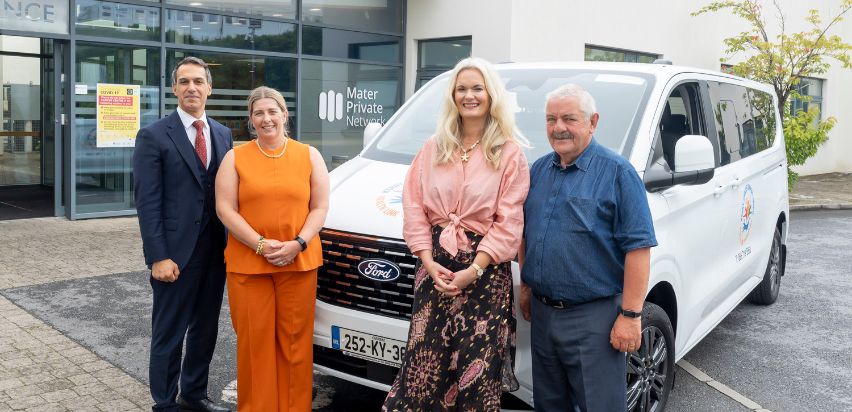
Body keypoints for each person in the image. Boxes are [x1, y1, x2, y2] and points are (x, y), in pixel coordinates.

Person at [383, 57, 530, 411]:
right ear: (452, 96)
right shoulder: (433, 147)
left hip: (484, 275)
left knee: (474, 375)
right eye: (461, 89)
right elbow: (414, 205)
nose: (469, 96)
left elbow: (509, 222)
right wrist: (428, 261)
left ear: (491, 94)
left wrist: (472, 271)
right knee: (424, 368)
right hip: (434, 272)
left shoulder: (509, 154)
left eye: (477, 88)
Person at [519, 83, 657, 412]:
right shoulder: (538, 170)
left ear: (593, 122)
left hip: (594, 319)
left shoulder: (618, 173)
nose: (559, 128)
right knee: (549, 405)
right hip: (542, 315)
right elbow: (527, 233)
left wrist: (631, 316)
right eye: (551, 119)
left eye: (569, 119)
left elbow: (639, 248)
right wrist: (526, 287)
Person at [215, 86, 329, 411]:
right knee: (255, 346)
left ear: (284, 114)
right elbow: (225, 210)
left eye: (272, 111)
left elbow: (319, 208)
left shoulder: (309, 155)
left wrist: (299, 243)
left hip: (299, 261)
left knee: (295, 345)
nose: (267, 119)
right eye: (259, 113)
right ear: (251, 119)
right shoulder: (235, 158)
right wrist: (261, 245)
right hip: (249, 266)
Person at [133, 57, 233, 412]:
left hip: (215, 253)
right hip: (174, 254)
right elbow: (147, 203)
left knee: (205, 330)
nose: (192, 88)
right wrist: (158, 256)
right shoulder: (153, 135)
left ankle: (194, 394)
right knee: (169, 333)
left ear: (209, 88)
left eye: (198, 81)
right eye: (184, 82)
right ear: (174, 89)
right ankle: (164, 402)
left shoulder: (222, 134)